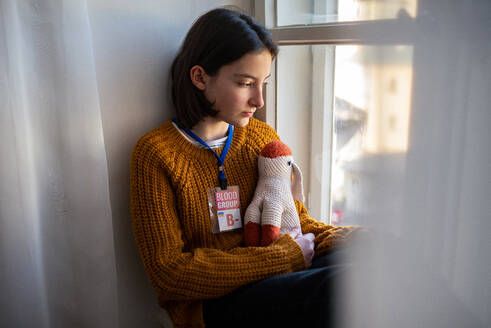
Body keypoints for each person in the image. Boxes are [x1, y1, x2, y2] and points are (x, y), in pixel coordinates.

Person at [130, 7, 360, 328]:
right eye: (245, 83)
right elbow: (169, 274)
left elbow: (298, 226)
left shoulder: (261, 137)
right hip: (213, 305)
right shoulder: (156, 154)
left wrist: (361, 240)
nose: (259, 101)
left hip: (275, 276)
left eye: (263, 83)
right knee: (344, 288)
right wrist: (278, 258)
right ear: (200, 77)